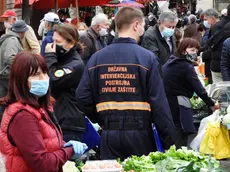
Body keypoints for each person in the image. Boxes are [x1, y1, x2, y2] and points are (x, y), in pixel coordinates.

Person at [75, 7, 176, 160]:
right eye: (142, 25)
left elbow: (82, 97)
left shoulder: (97, 59)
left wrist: (101, 119)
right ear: (136, 25)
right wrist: (169, 140)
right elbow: (159, 103)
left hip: (109, 135)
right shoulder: (147, 58)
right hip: (140, 134)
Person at [0, 51, 87, 172]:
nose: (43, 79)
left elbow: (44, 142)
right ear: (21, 80)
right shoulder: (23, 116)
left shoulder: (39, 107)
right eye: (36, 74)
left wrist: (62, 145)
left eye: (45, 73)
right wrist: (69, 151)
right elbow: (42, 163)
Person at [162, 38, 215, 148]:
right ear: (183, 51)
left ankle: (173, 152)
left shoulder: (172, 61)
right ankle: (179, 154)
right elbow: (199, 89)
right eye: (191, 50)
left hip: (167, 100)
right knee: (181, 129)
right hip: (178, 101)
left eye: (196, 50)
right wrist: (211, 104)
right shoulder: (186, 67)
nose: (195, 52)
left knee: (174, 128)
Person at [44, 24, 85, 142]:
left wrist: (50, 56)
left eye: (58, 42)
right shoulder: (62, 58)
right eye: (53, 41)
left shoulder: (75, 65)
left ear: (71, 43)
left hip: (69, 122)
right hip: (58, 118)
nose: (53, 45)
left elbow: (52, 80)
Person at [0, 20, 27, 119]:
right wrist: (20, 69)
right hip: (8, 75)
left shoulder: (10, 38)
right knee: (15, 99)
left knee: (3, 101)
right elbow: (9, 57)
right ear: (22, 31)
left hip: (4, 74)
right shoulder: (13, 40)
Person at [202, 6, 230, 83]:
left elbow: (211, 46)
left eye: (206, 19)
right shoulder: (223, 25)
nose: (205, 22)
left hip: (217, 64)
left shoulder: (216, 27)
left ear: (212, 18)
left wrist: (203, 55)